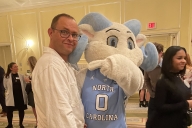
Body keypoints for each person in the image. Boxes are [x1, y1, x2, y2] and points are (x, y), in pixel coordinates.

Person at [32, 13, 85, 128]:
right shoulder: (52, 66)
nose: (71, 38)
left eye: (75, 34)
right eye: (64, 32)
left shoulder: (63, 64)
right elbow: (61, 120)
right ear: (51, 33)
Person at [151, 46, 192, 128]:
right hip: (166, 123)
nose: (184, 61)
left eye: (184, 58)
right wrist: (186, 104)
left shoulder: (177, 77)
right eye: (179, 58)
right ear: (169, 60)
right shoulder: (163, 81)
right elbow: (160, 107)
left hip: (180, 121)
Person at [145, 42, 164, 128]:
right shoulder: (148, 66)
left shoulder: (167, 66)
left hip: (166, 98)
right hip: (154, 97)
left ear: (161, 53)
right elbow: (146, 80)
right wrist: (151, 93)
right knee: (151, 122)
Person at [4, 62, 27, 128]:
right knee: (9, 111)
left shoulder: (21, 76)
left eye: (17, 66)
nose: (17, 68)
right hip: (11, 96)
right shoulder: (6, 76)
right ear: (11, 68)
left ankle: (21, 124)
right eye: (15, 67)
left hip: (20, 96)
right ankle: (10, 124)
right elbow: (5, 86)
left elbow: (24, 85)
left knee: (21, 110)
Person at [25, 56, 37, 127]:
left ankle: (38, 122)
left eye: (28, 61)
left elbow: (38, 82)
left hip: (34, 92)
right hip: (32, 91)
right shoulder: (33, 70)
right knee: (34, 107)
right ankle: (37, 121)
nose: (27, 63)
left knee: (35, 108)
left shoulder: (36, 70)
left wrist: (28, 81)